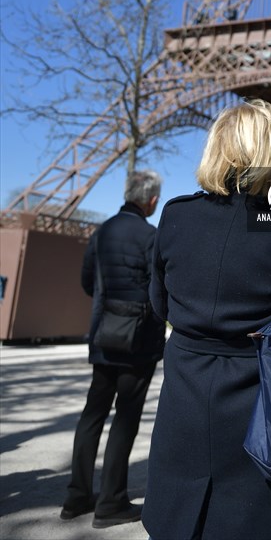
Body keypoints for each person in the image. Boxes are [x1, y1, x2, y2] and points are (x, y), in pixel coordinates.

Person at [141, 99, 271, 540]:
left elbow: (160, 305)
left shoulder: (175, 216)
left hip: (185, 401)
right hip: (265, 411)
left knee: (180, 522)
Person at [60, 170, 165, 528]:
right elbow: (159, 291)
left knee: (93, 413)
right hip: (139, 341)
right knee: (125, 419)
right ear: (150, 200)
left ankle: (76, 496)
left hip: (104, 334)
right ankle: (110, 502)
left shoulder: (102, 231)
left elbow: (87, 281)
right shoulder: (152, 236)